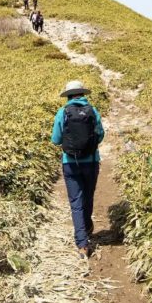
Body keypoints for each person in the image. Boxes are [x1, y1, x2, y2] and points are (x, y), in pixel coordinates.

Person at [51, 81, 104, 259]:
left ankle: (82, 245)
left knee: (76, 201)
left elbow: (56, 139)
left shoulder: (62, 112)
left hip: (70, 163)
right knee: (88, 196)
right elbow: (100, 135)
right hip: (91, 161)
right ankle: (88, 227)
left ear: (68, 95)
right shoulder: (92, 111)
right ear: (82, 94)